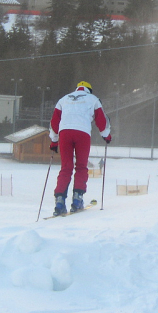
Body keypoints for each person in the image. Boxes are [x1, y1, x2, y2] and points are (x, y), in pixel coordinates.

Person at [49, 81, 111, 215]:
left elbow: (54, 122)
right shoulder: (93, 99)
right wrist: (106, 135)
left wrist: (54, 141)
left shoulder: (63, 99)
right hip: (82, 133)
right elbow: (102, 120)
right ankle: (77, 199)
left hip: (64, 132)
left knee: (66, 167)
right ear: (89, 90)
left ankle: (59, 201)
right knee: (81, 166)